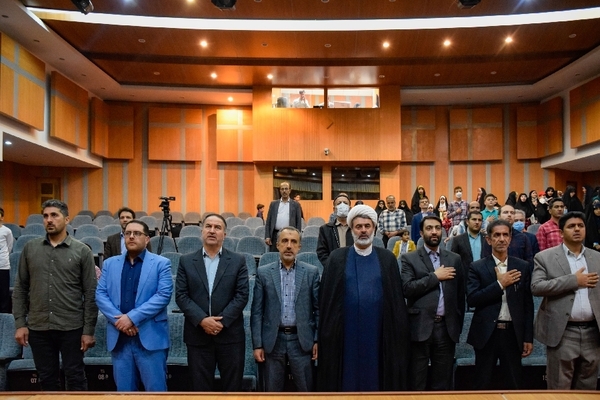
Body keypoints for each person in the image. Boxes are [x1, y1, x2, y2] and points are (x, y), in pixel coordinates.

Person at [318, 205, 410, 391]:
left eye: (367, 226)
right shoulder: (336, 258)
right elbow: (327, 301)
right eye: (358, 226)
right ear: (352, 230)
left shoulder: (387, 259)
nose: (363, 230)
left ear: (374, 228)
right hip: (345, 332)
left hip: (378, 331)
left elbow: (396, 302)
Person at [12, 199, 98, 391]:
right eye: (45, 216)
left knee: (75, 377)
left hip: (71, 327)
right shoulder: (30, 248)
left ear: (66, 219)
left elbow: (91, 293)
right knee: (47, 379)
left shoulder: (82, 251)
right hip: (39, 326)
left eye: (54, 215)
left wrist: (88, 331)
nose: (49, 220)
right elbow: (20, 289)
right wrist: (20, 324)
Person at [95, 220, 173, 391]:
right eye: (127, 233)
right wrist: (120, 322)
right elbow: (101, 295)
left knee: (156, 393)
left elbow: (163, 295)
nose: (131, 236)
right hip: (120, 339)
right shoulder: (110, 264)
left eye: (137, 233)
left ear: (147, 239)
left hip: (150, 338)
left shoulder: (161, 263)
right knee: (125, 393)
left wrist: (131, 318)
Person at [175, 213, 249, 391]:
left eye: (218, 227)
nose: (212, 230)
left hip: (230, 336)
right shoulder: (186, 261)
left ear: (225, 234)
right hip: (198, 336)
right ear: (202, 231)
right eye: (208, 226)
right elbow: (181, 296)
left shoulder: (238, 261)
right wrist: (202, 320)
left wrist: (220, 322)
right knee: (200, 389)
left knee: (232, 389)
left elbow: (242, 295)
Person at [531, 211, 600, 390]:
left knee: (588, 389)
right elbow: (537, 287)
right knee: (559, 389)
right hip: (563, 332)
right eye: (571, 226)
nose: (577, 229)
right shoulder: (545, 257)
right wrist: (574, 281)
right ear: (561, 233)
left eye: (580, 226)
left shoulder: (597, 257)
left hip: (593, 333)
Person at [467, 219, 534, 390]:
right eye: (497, 235)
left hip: (513, 333)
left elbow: (527, 305)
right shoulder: (477, 267)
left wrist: (528, 337)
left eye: (505, 235)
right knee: (482, 384)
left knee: (514, 384)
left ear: (510, 239)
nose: (502, 239)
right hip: (486, 334)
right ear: (489, 240)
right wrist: (499, 285)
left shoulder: (522, 266)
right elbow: (472, 299)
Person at [251, 227, 319, 391]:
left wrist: (317, 340)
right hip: (273, 341)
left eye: (293, 242)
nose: (289, 246)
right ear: (277, 245)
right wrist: (257, 345)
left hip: (302, 341)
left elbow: (318, 310)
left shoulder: (311, 272)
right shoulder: (264, 272)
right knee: (272, 392)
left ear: (299, 247)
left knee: (305, 391)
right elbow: (257, 312)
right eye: (285, 241)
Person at [401, 215, 464, 391]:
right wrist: (435, 277)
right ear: (421, 233)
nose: (434, 232)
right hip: (419, 327)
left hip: (446, 328)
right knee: (417, 381)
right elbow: (407, 288)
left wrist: (456, 325)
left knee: (442, 382)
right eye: (429, 228)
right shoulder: (409, 258)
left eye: (437, 228)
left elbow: (460, 295)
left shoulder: (454, 259)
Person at [482, 205, 533, 270]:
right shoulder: (491, 236)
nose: (509, 215)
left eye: (512, 213)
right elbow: (485, 259)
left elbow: (529, 260)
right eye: (505, 212)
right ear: (499, 216)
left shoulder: (522, 237)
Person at [316, 193, 353, 267]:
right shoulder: (325, 229)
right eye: (339, 203)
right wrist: (331, 266)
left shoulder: (356, 228)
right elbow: (321, 252)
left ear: (350, 208)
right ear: (334, 209)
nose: (342, 205)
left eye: (345, 203)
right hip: (333, 269)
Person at [265, 182, 303, 252]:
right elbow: (268, 222)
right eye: (282, 189)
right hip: (275, 235)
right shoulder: (273, 204)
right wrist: (267, 236)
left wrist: (298, 237)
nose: (284, 191)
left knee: (288, 254)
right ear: (280, 190)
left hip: (290, 235)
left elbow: (298, 223)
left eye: (286, 189)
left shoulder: (296, 205)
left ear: (290, 190)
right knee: (274, 255)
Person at [450, 211, 484, 287]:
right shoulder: (458, 240)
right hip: (465, 280)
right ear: (467, 222)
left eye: (479, 220)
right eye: (474, 219)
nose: (477, 222)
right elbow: (453, 261)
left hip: (484, 279)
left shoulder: (487, 239)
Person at [0, 207, 14, 313]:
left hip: (3, 265)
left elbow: (9, 246)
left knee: (3, 292)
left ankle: (4, 314)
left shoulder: (7, 231)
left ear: (2, 217)